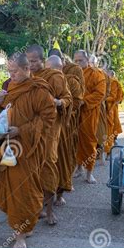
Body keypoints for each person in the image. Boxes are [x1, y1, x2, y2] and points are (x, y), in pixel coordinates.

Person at [0, 52, 56, 248]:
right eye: (9, 71)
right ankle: (20, 230)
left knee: (27, 191)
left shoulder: (39, 90)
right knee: (12, 190)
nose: (12, 75)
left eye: (15, 71)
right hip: (8, 147)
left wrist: (23, 130)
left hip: (28, 148)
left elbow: (48, 118)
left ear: (27, 69)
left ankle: (22, 233)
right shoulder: (9, 88)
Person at [26, 45, 71, 225]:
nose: (31, 65)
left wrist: (58, 102)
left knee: (48, 167)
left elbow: (68, 98)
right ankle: (36, 208)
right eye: (28, 61)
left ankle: (50, 210)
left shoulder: (54, 76)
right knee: (31, 169)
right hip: (29, 129)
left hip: (50, 129)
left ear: (42, 61)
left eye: (34, 61)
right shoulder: (26, 77)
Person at [45, 55, 79, 206]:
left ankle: (59, 194)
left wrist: (60, 103)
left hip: (62, 125)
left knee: (62, 161)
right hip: (43, 127)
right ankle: (44, 197)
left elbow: (74, 100)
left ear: (61, 68)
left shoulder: (68, 81)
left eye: (56, 69)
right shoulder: (38, 78)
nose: (53, 72)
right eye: (50, 69)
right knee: (45, 163)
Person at [73, 50, 106, 184]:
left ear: (87, 60)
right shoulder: (73, 74)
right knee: (75, 142)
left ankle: (89, 172)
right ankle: (78, 168)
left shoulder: (96, 74)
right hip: (75, 113)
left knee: (89, 141)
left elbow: (100, 94)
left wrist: (84, 101)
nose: (78, 63)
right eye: (75, 61)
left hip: (89, 113)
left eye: (80, 60)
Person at [89, 54, 110, 163]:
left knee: (101, 131)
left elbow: (107, 91)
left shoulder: (102, 75)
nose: (91, 64)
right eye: (90, 62)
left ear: (97, 63)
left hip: (99, 107)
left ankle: (102, 153)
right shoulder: (84, 73)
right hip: (87, 107)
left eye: (93, 62)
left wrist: (100, 100)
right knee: (88, 132)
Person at [104, 70, 124, 156]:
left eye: (107, 74)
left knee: (112, 126)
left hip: (112, 108)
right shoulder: (104, 82)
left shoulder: (114, 82)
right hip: (105, 107)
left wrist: (103, 99)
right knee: (108, 127)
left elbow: (119, 95)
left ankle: (109, 150)